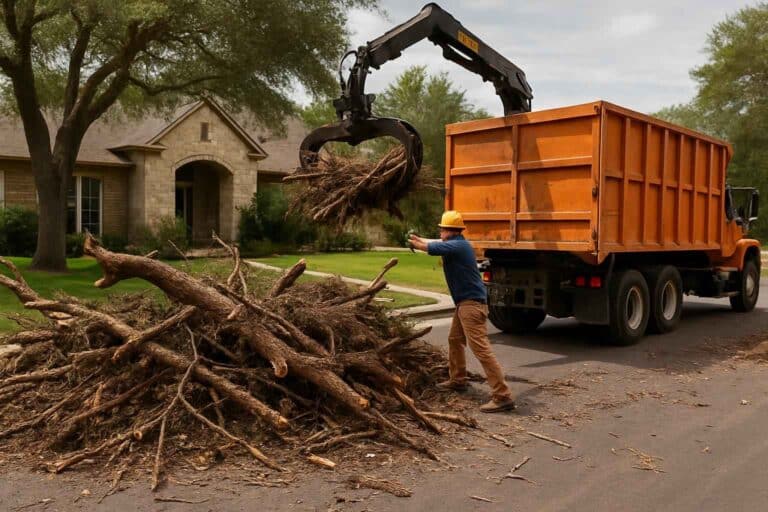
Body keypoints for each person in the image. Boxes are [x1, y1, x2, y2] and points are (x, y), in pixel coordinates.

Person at [409, 211, 516, 413]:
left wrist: (414, 243)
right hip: (464, 304)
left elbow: (428, 246)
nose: (440, 231)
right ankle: (457, 379)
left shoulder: (457, 246)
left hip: (471, 305)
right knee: (454, 339)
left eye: (442, 229)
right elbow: (431, 241)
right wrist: (417, 238)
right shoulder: (457, 242)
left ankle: (502, 396)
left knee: (481, 350)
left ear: (449, 231)